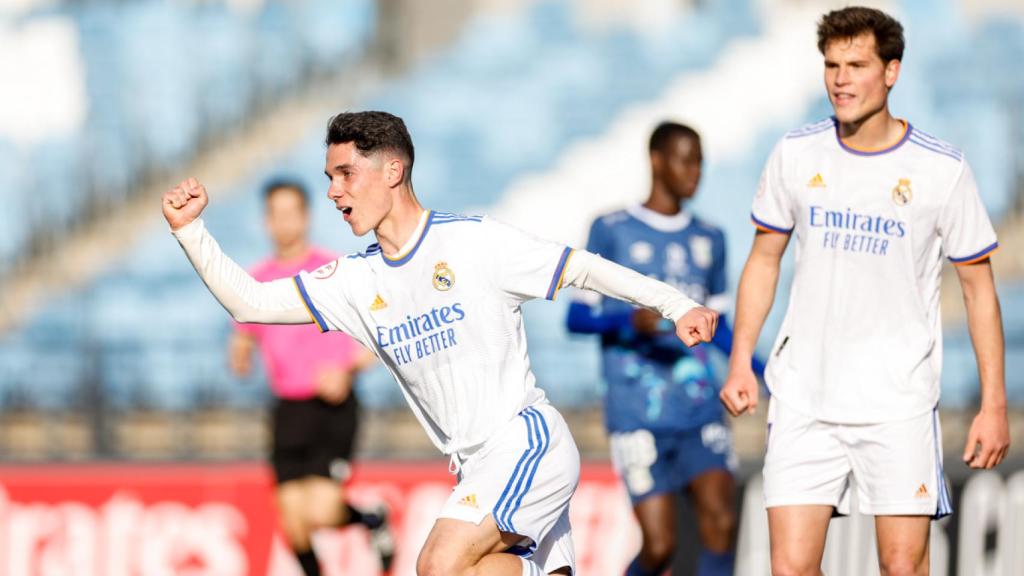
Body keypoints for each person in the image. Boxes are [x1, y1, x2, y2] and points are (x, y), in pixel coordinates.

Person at [162, 111, 719, 576]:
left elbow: (582, 269)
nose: (333, 192)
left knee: (436, 565)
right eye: (329, 177)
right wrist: (190, 231)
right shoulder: (356, 281)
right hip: (475, 467)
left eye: (345, 174)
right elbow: (250, 304)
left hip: (526, 442)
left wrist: (676, 305)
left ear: (392, 170)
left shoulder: (474, 242)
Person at [719, 7, 1010, 575]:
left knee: (902, 568)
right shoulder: (796, 154)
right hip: (804, 396)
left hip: (896, 402)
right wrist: (738, 362)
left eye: (856, 64)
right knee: (790, 569)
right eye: (831, 65)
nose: (840, 79)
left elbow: (979, 291)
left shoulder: (940, 169)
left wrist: (993, 404)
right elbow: (763, 259)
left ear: (892, 71)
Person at [567, 122, 762, 576]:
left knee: (721, 519)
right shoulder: (611, 229)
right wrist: (626, 321)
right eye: (685, 159)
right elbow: (576, 318)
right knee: (659, 546)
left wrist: (758, 367)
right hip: (638, 412)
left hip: (698, 409)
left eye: (700, 161)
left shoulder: (710, 238)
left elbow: (720, 325)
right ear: (657, 160)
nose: (695, 171)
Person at [227, 178, 391, 576]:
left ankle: (372, 519)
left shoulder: (332, 269)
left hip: (331, 405)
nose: (284, 222)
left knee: (319, 508)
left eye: (291, 212)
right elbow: (243, 338)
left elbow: (378, 335)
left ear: (305, 217)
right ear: (266, 221)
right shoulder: (257, 278)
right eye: (276, 214)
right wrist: (241, 353)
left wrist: (347, 369)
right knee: (292, 520)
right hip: (287, 409)